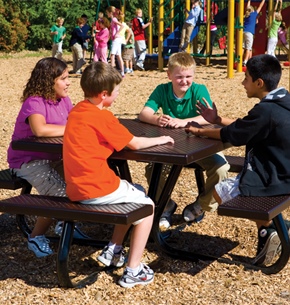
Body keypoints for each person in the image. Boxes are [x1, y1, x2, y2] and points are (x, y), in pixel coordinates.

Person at [62, 61, 174, 288]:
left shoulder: (77, 111)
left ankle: (113, 250)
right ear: (104, 94)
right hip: (96, 186)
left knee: (136, 193)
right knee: (148, 207)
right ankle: (133, 270)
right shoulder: (102, 117)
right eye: (117, 90)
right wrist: (161, 139)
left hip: (76, 187)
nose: (119, 93)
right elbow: (133, 143)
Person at [185, 54, 290, 266]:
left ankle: (269, 228)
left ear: (259, 83)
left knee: (218, 191)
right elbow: (247, 126)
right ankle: (272, 229)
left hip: (272, 178)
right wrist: (216, 120)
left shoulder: (265, 110)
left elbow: (231, 136)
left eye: (246, 78)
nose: (243, 83)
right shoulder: (283, 100)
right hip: (284, 170)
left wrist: (198, 130)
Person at [138, 52, 230, 229]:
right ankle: (166, 205)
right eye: (179, 77)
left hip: (200, 142)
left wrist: (183, 122)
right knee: (152, 168)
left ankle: (201, 206)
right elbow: (144, 113)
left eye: (188, 76)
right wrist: (157, 119)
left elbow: (209, 117)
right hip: (172, 145)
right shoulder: (162, 90)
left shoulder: (198, 90)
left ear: (194, 76)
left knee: (221, 168)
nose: (184, 81)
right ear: (169, 75)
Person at [7, 58, 86, 258]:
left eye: (68, 78)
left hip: (55, 157)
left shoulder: (64, 100)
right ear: (48, 80)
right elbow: (40, 130)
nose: (68, 82)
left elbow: (76, 120)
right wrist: (74, 128)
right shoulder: (34, 101)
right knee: (60, 195)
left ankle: (62, 224)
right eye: (64, 78)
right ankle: (36, 236)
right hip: (28, 161)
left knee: (82, 182)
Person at [242, 0, 265, 66]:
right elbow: (260, 6)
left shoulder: (246, 15)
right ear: (252, 10)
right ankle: (245, 61)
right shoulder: (254, 14)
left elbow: (247, 7)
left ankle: (246, 60)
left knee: (244, 47)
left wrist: (249, 0)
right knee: (248, 48)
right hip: (249, 33)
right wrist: (263, 0)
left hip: (244, 32)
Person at [106, 6, 125, 77]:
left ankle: (112, 71)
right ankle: (122, 72)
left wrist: (117, 33)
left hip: (116, 39)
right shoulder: (113, 20)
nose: (107, 14)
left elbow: (122, 26)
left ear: (110, 13)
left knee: (112, 55)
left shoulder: (114, 19)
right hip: (117, 39)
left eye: (107, 13)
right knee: (118, 56)